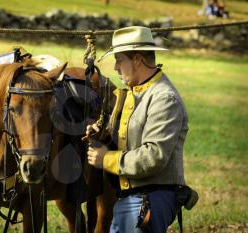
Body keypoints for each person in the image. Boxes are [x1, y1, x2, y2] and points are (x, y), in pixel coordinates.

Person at [85, 26, 192, 233]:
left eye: (119, 60)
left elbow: (153, 156)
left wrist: (106, 159)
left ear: (137, 60)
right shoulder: (135, 92)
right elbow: (129, 139)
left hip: (149, 199)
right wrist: (104, 135)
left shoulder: (164, 99)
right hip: (133, 199)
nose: (116, 67)